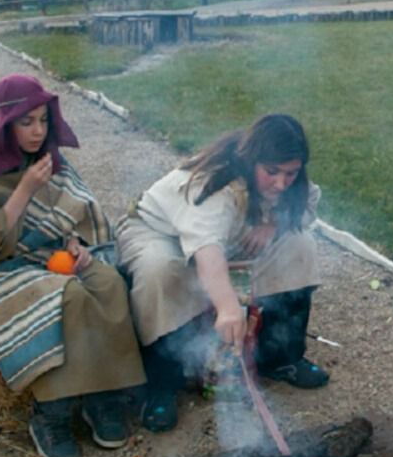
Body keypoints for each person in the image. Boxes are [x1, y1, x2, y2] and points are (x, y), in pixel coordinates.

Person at [0, 75, 145, 457]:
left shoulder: (47, 156)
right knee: (68, 295)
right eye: (27, 123)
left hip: (50, 255)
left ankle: (101, 398)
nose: (38, 131)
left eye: (43, 120)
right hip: (5, 267)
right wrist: (24, 189)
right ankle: (51, 414)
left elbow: (72, 210)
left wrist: (76, 244)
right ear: (5, 123)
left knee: (108, 282)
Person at [116, 113, 325, 431]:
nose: (282, 183)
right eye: (272, 173)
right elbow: (206, 246)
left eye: (290, 173)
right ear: (253, 159)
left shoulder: (290, 182)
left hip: (229, 234)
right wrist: (228, 307)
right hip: (160, 234)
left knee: (300, 245)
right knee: (162, 271)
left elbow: (305, 204)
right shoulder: (215, 184)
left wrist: (272, 224)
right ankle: (160, 386)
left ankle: (281, 358)